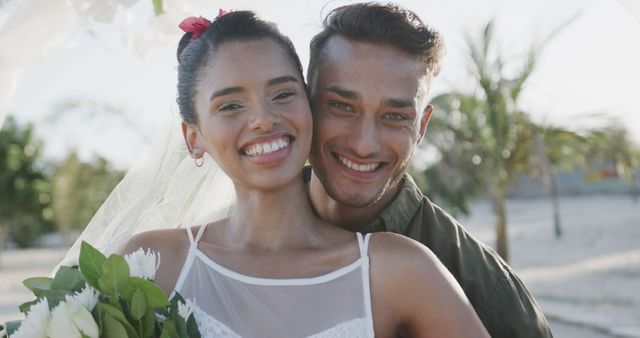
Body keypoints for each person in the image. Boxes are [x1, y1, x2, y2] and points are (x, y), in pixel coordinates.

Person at [123, 10, 489, 338]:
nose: (264, 119)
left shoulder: (398, 270)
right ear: (193, 137)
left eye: (282, 94)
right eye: (231, 105)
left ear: (309, 104)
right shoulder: (152, 264)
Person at [304, 3, 553, 338]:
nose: (364, 144)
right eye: (342, 106)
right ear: (305, 105)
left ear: (421, 127)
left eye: (395, 116)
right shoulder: (236, 228)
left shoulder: (484, 289)